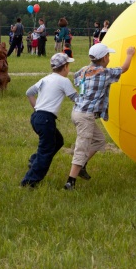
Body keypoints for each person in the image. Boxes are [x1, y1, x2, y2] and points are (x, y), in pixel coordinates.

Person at [64, 43, 136, 189]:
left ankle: (82, 165)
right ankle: (70, 181)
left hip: (77, 112)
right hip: (85, 116)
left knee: (99, 140)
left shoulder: (83, 70)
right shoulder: (105, 73)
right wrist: (130, 54)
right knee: (82, 147)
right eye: (108, 55)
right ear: (104, 58)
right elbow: (124, 68)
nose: (109, 57)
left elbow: (76, 79)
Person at [20, 53, 79, 188]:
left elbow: (29, 92)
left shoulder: (46, 79)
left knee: (58, 141)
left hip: (36, 117)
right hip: (46, 119)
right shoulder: (64, 81)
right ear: (65, 67)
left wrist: (37, 108)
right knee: (45, 151)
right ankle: (29, 182)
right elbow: (76, 99)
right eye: (68, 66)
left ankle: (34, 160)